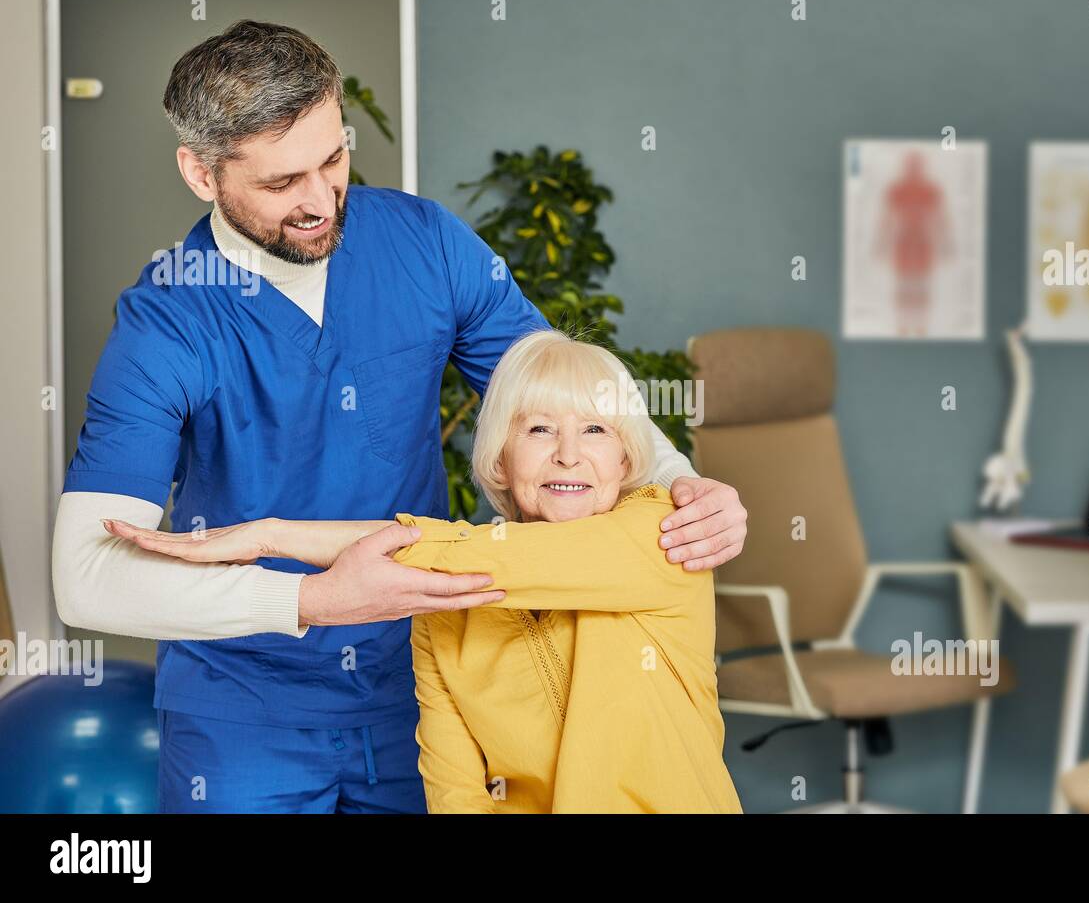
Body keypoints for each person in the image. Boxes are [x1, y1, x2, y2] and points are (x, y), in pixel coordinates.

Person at [53, 20, 748, 814]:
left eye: (334, 158)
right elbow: (86, 578)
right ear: (201, 173)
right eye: (282, 183)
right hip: (245, 712)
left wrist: (689, 488)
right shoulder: (164, 324)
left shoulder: (426, 247)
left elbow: (569, 397)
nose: (319, 201)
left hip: (423, 689)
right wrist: (306, 603)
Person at [106, 330, 743, 813]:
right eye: (541, 428)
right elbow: (457, 793)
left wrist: (271, 536)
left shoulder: (661, 535)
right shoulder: (442, 617)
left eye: (596, 429)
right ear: (500, 459)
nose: (569, 454)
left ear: (629, 456)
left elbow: (470, 556)